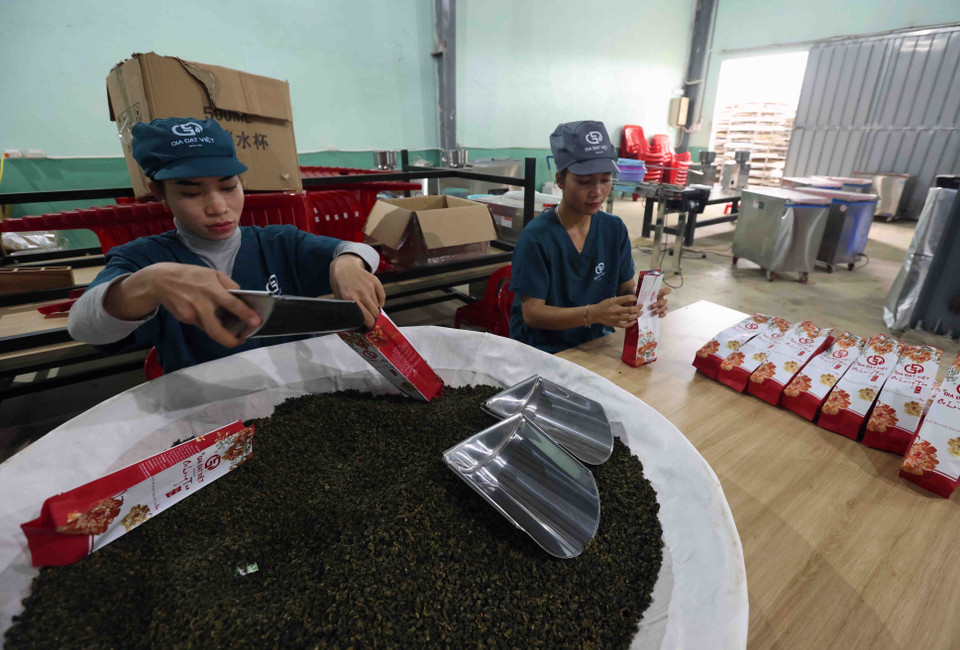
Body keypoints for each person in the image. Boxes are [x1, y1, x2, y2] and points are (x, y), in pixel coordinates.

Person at [68, 117, 385, 373]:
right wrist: (148, 284)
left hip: (294, 394)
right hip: (206, 409)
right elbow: (83, 326)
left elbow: (360, 250)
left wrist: (348, 262)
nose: (218, 207)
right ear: (159, 192)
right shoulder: (145, 258)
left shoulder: (278, 243)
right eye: (191, 193)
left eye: (229, 187)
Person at [509, 120, 669, 353]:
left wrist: (644, 301)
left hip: (594, 342)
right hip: (543, 349)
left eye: (605, 180)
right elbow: (532, 314)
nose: (597, 192)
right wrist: (592, 314)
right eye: (584, 181)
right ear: (560, 180)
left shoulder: (613, 229)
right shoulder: (537, 238)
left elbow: (625, 288)